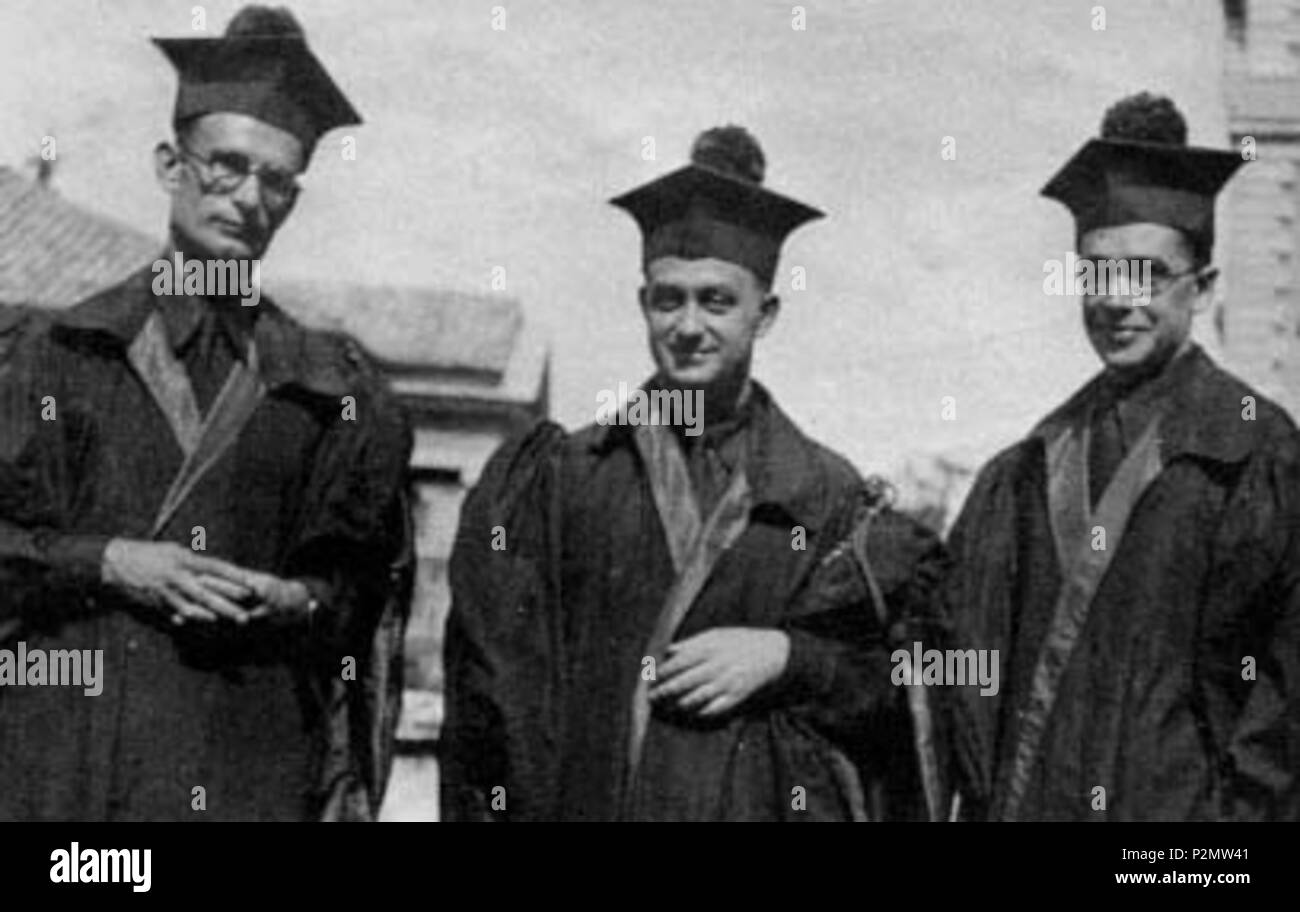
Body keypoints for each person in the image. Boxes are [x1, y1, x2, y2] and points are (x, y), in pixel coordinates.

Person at [441, 125, 944, 821]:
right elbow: (489, 706)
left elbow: (908, 689)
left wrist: (790, 659)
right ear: (641, 303)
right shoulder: (565, 479)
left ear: (764, 315)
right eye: (667, 299)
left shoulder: (827, 497)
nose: (688, 326)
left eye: (716, 301)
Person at [0, 5, 413, 821]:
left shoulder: (327, 392)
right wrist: (110, 562)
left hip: (243, 770)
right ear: (170, 165)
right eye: (227, 166)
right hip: (68, 769)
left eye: (277, 181)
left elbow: (363, 596)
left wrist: (298, 601)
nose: (249, 197)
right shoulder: (57, 354)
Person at [943, 93, 1300, 821]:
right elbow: (951, 658)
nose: (1117, 300)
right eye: (1097, 273)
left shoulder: (1253, 453)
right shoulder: (1026, 469)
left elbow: (1285, 701)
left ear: (1201, 289)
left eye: (1147, 275)